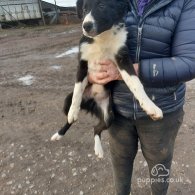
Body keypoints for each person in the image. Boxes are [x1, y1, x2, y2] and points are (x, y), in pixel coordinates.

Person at [88, 0, 195, 194]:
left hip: (162, 109)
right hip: (118, 108)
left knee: (158, 171)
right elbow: (97, 42)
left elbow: (189, 63)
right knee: (120, 169)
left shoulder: (184, 3)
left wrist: (127, 71)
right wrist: (94, 72)